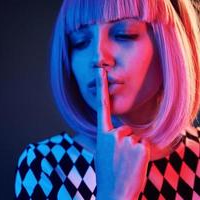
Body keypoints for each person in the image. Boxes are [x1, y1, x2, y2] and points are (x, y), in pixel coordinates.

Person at [14, 0, 200, 199]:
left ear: (170, 46)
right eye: (80, 42)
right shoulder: (47, 165)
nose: (98, 56)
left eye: (124, 35)